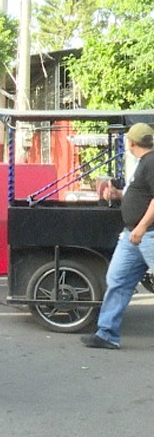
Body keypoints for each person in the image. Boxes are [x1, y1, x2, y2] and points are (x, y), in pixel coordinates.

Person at [81, 123, 154, 349]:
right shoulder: (144, 163)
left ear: (131, 142)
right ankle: (107, 334)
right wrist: (118, 194)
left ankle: (107, 333)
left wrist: (141, 228)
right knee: (117, 280)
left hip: (147, 234)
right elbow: (140, 195)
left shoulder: (151, 162)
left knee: (117, 281)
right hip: (133, 236)